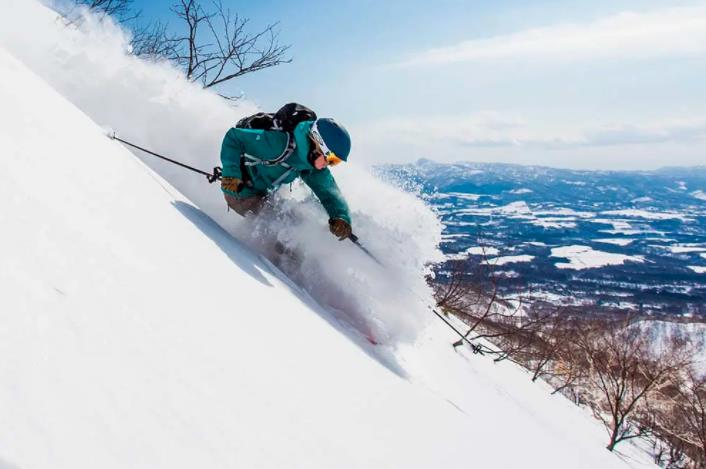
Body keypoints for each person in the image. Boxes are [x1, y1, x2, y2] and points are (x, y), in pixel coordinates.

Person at [219, 116, 353, 240]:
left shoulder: (309, 162)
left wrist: (341, 217)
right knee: (284, 238)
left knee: (297, 224)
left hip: (263, 193)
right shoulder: (279, 144)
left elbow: (328, 192)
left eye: (335, 162)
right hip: (240, 193)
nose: (328, 164)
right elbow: (234, 138)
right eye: (331, 159)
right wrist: (231, 175)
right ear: (317, 144)